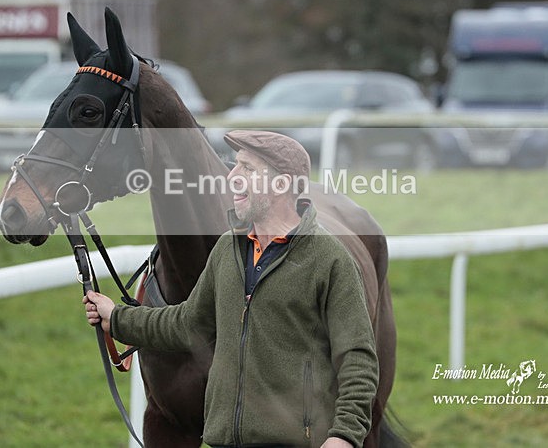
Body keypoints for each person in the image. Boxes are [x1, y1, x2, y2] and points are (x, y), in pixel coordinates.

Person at [84, 130, 379, 448]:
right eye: (235, 165)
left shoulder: (329, 259)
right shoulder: (228, 248)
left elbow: (357, 358)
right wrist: (116, 318)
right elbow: (187, 324)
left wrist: (344, 435)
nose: (232, 177)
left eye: (248, 169)